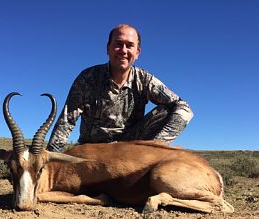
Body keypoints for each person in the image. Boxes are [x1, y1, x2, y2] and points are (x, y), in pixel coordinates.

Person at [47, 24, 193, 152]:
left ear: (137, 53)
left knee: (169, 109)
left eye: (129, 45)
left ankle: (149, 155)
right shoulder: (87, 78)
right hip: (92, 149)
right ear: (108, 48)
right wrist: (51, 156)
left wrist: (157, 146)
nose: (123, 50)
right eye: (118, 44)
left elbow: (184, 108)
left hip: (128, 148)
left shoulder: (145, 79)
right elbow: (66, 121)